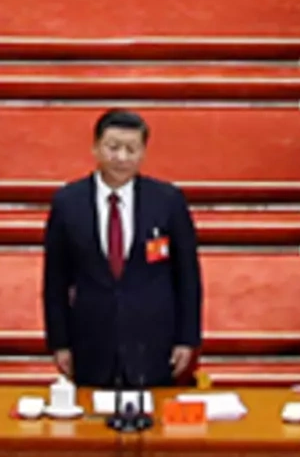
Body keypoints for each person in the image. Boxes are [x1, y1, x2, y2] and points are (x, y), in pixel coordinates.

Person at [42, 107, 200, 390]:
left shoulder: (168, 201)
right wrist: (60, 343)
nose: (122, 158)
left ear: (144, 153)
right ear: (95, 148)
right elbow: (54, 281)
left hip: (154, 341)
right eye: (113, 147)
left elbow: (188, 277)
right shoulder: (68, 202)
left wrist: (187, 338)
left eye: (131, 149)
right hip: (90, 340)